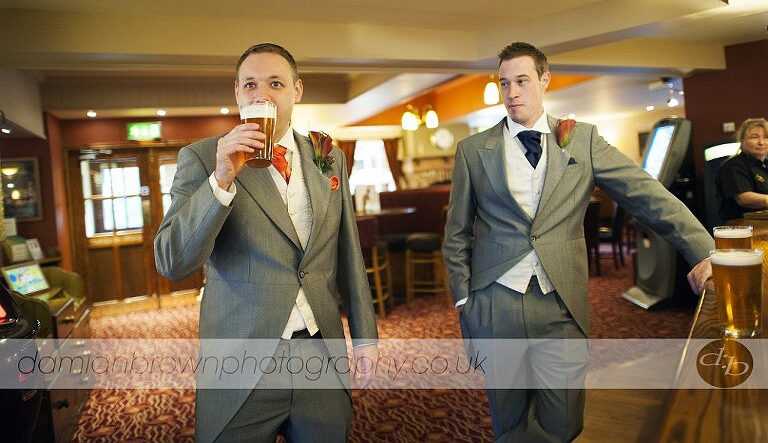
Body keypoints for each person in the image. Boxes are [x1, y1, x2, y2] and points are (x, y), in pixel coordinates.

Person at [442, 42, 714, 442]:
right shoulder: (472, 151)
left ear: (544, 80)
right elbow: (456, 234)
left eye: (521, 81)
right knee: (509, 419)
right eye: (504, 83)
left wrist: (704, 249)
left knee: (566, 422)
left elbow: (646, 193)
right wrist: (466, 301)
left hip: (561, 302)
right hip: (495, 303)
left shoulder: (582, 140)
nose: (512, 92)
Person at [154, 43, 378, 443]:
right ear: (237, 93)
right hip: (241, 356)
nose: (261, 94)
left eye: (275, 83)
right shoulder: (204, 157)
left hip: (319, 352)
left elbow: (348, 252)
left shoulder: (329, 156)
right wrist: (221, 180)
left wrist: (364, 336)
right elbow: (171, 261)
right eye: (250, 84)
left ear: (297, 91)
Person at [716, 117, 768, 222]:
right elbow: (744, 199)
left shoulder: (765, 165)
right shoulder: (733, 165)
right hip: (741, 229)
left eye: (766, 137)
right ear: (742, 139)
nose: (761, 142)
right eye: (754, 137)